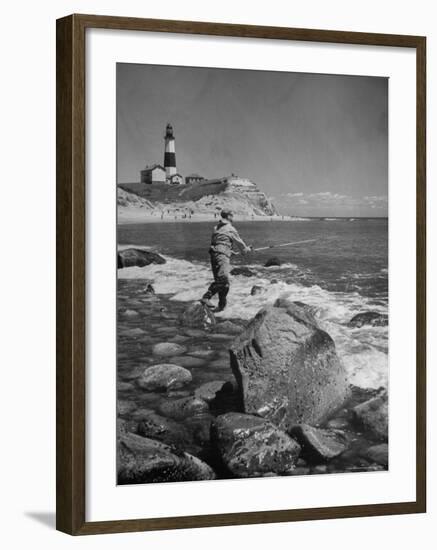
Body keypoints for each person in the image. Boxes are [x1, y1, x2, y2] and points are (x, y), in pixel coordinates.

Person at [201, 209, 252, 312]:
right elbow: (242, 247)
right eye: (232, 215)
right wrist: (247, 250)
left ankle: (221, 307)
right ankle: (206, 297)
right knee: (223, 281)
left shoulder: (216, 228)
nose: (233, 218)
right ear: (228, 216)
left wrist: (230, 251)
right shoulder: (230, 229)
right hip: (221, 256)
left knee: (224, 284)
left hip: (214, 254)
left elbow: (218, 241)